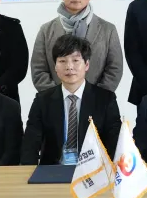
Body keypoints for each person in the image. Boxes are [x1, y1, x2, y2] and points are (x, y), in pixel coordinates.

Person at [21, 35, 122, 165]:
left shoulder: (105, 99)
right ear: (55, 67)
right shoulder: (43, 101)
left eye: (75, 60)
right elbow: (30, 144)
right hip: (53, 170)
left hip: (93, 170)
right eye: (62, 61)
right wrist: (28, 172)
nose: (69, 67)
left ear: (86, 65)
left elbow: (115, 142)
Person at [30, 0, 123, 93]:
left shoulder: (108, 29)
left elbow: (114, 68)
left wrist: (97, 97)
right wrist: (56, 97)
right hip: (55, 100)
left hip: (98, 99)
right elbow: (38, 69)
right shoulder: (46, 30)